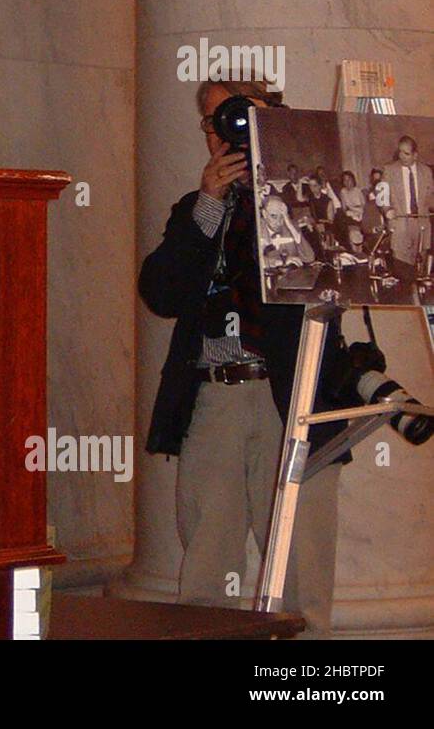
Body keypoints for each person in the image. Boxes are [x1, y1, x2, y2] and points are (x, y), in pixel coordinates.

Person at [139, 73, 348, 637]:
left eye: (242, 116)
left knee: (300, 568)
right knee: (207, 565)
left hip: (293, 399)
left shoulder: (307, 195)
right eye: (216, 121)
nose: (226, 130)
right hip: (216, 397)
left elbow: (338, 274)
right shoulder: (194, 209)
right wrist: (209, 203)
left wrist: (281, 176)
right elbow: (161, 293)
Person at [379, 135, 434, 296]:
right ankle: (406, 299)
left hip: (422, 224)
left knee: (420, 271)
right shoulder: (389, 170)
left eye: (407, 153)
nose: (402, 156)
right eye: (400, 152)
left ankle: (419, 301)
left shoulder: (426, 171)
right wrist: (387, 209)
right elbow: (382, 196)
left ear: (415, 155)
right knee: (403, 271)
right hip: (400, 224)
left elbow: (430, 197)